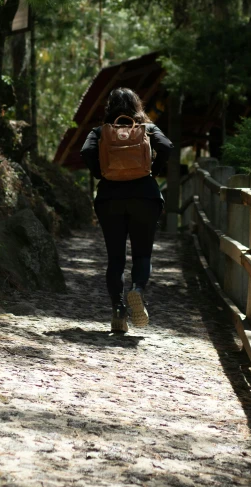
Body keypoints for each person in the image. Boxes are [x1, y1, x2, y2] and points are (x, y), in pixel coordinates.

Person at [80, 87, 173, 333]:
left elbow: (86, 152)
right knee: (142, 255)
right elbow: (167, 146)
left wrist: (102, 173)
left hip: (110, 197)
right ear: (136, 105)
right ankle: (137, 290)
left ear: (109, 107)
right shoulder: (147, 129)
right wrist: (153, 170)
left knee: (116, 259)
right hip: (145, 196)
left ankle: (119, 311)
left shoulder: (100, 132)